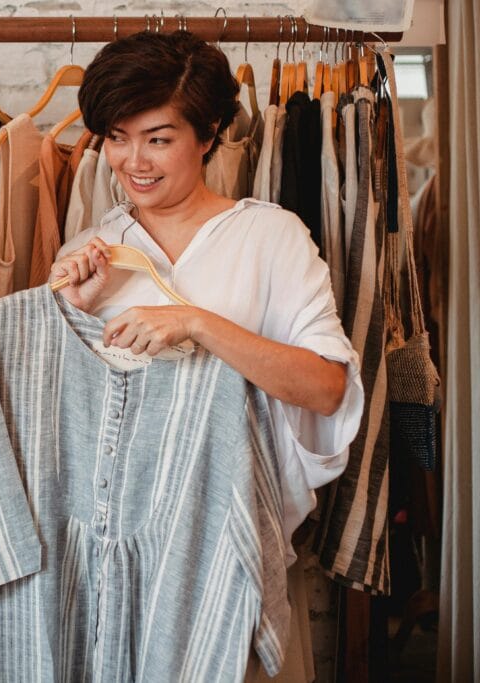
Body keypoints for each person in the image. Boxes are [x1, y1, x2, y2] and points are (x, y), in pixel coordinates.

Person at [51, 31, 364, 570]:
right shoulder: (87, 251)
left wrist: (196, 323)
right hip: (115, 550)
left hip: (233, 538)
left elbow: (327, 390)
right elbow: (57, 420)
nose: (133, 161)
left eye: (158, 139)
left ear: (208, 132)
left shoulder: (271, 237)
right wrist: (71, 315)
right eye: (118, 138)